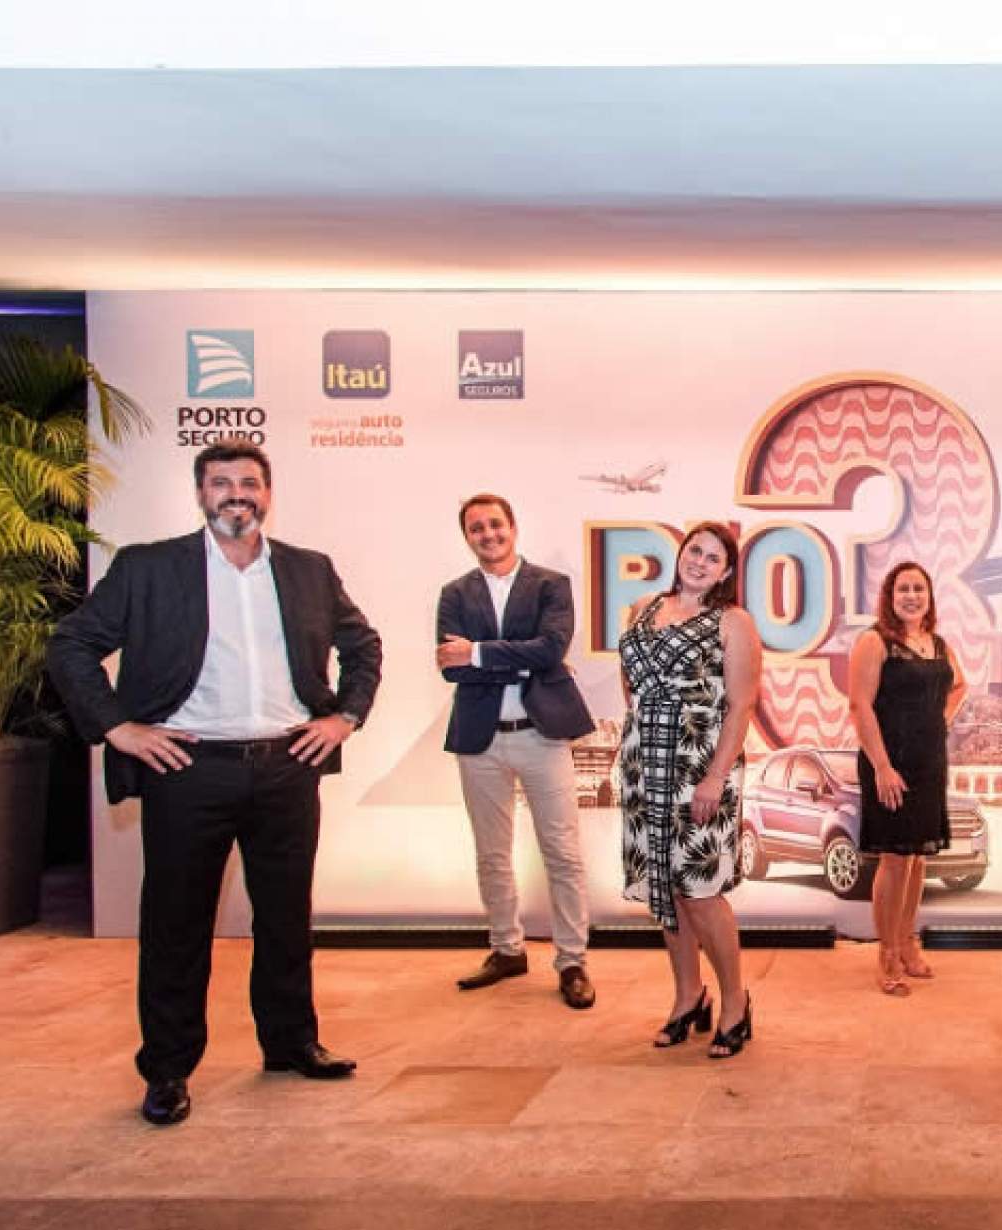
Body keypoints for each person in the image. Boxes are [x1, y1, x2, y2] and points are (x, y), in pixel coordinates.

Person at [46, 443, 381, 1126]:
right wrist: (118, 727)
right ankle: (168, 1069)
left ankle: (291, 1043)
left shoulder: (309, 570)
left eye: (249, 482)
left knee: (285, 917)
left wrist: (344, 717)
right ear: (201, 495)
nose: (237, 493)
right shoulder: (148, 568)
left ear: (268, 494)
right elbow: (71, 644)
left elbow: (363, 646)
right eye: (221, 482)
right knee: (176, 924)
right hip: (188, 769)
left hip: (288, 765)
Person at [436, 493, 597, 1008]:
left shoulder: (551, 584)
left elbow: (551, 650)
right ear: (467, 537)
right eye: (477, 528)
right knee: (491, 854)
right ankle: (506, 949)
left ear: (513, 527)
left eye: (495, 524)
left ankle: (572, 960)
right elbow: (451, 668)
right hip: (479, 740)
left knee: (562, 852)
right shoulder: (455, 593)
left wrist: (480, 653)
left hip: (541, 734)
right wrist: (517, 659)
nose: (488, 534)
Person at [618, 521, 763, 1058]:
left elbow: (742, 704)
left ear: (726, 572)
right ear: (680, 553)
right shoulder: (643, 609)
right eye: (694, 550)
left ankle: (735, 1002)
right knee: (666, 886)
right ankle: (687, 997)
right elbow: (632, 685)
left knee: (700, 890)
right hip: (643, 768)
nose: (699, 561)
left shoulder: (733, 621)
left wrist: (716, 776)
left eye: (713, 557)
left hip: (701, 769)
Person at [848, 562, 968, 995]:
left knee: (918, 858)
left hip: (928, 763)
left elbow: (959, 687)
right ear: (890, 595)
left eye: (919, 589)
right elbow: (859, 707)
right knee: (895, 859)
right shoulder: (874, 642)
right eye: (903, 589)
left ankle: (906, 941)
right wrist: (882, 767)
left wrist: (939, 722)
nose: (912, 596)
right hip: (889, 764)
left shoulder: (938, 643)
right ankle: (886, 953)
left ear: (929, 596)